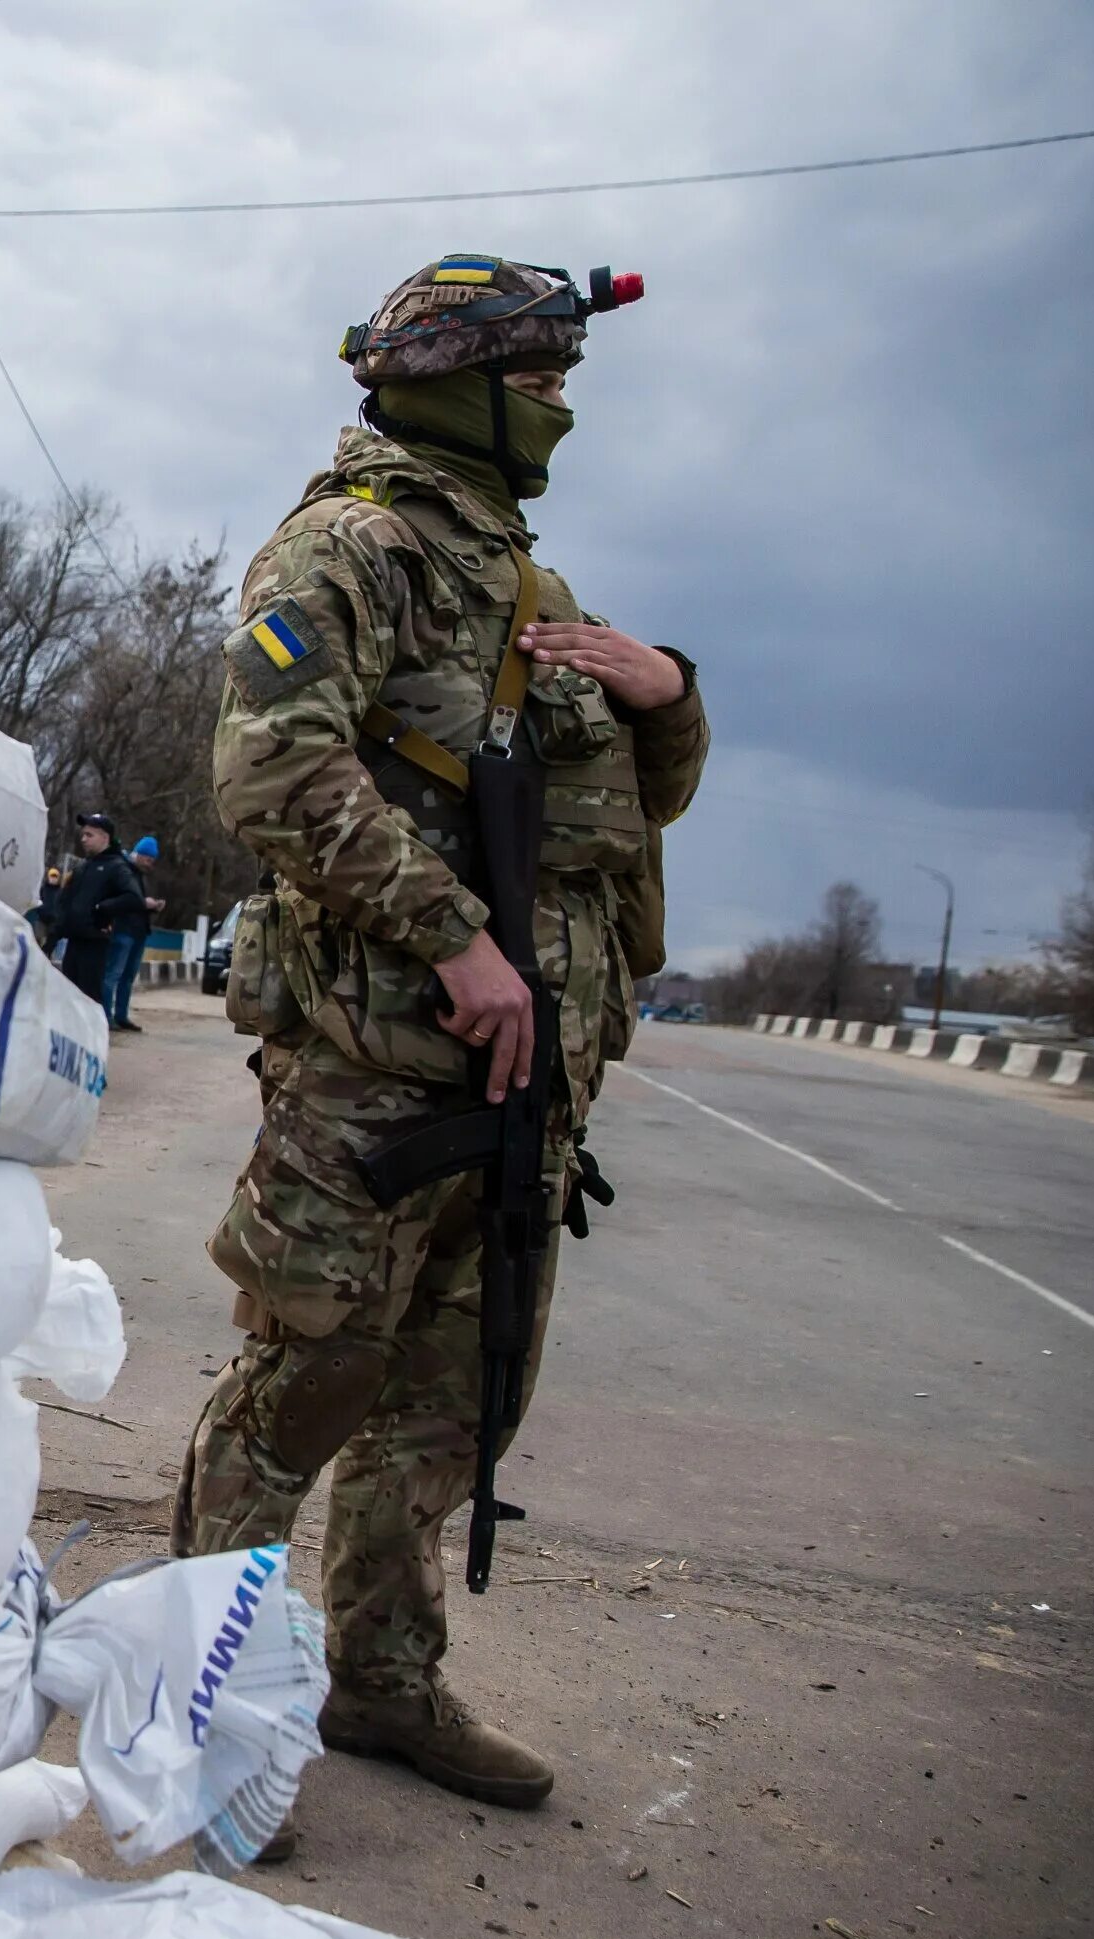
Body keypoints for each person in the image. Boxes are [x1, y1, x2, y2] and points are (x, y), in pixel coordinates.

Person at [171, 255, 708, 1825]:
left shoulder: (530, 587)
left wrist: (666, 690)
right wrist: (456, 939)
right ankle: (196, 1700)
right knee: (306, 1382)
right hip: (376, 1073)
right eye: (538, 382)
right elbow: (269, 771)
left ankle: (382, 1680)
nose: (559, 410)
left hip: (522, 1092)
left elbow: (634, 802)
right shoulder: (353, 546)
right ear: (457, 382)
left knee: (452, 1402)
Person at [53, 813, 149, 1007]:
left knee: (88, 999)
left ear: (105, 838)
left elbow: (134, 898)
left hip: (94, 943)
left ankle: (95, 1033)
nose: (83, 839)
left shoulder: (116, 867)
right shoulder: (83, 867)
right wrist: (53, 936)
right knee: (68, 999)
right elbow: (67, 903)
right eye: (83, 835)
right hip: (73, 942)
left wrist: (103, 909)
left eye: (89, 835)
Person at [103, 836, 167, 1032]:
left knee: (128, 976)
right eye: (148, 859)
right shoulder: (123, 870)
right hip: (122, 929)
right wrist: (143, 902)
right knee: (113, 974)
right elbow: (123, 899)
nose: (150, 864)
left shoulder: (138, 874)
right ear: (139, 854)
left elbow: (136, 900)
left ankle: (121, 1016)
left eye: (152, 861)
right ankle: (106, 1016)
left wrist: (152, 906)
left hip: (138, 930)